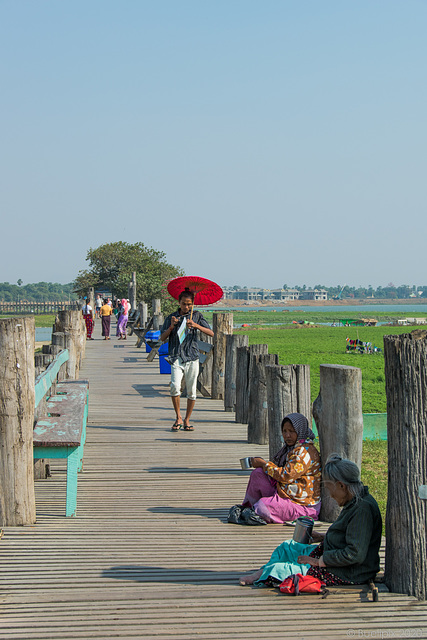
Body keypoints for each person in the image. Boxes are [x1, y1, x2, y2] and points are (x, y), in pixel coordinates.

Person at [239, 454, 382, 587]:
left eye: (329, 489)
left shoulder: (362, 510)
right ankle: (264, 571)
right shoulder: (353, 502)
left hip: (348, 572)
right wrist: (322, 537)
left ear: (341, 485)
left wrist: (317, 562)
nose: (330, 495)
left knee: (281, 569)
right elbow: (350, 537)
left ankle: (267, 573)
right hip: (331, 556)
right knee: (287, 548)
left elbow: (354, 554)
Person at [228, 413, 321, 525]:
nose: (287, 435)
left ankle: (257, 510)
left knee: (263, 506)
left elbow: (286, 475)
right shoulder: (292, 448)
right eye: (285, 431)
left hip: (301, 505)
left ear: (300, 431)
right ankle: (250, 507)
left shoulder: (304, 452)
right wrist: (263, 466)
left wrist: (264, 465)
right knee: (257, 474)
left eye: (291, 431)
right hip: (285, 492)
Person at [160, 288, 214, 431]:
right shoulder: (171, 317)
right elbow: (162, 338)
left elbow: (211, 332)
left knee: (191, 391)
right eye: (184, 304)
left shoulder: (196, 316)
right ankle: (178, 416)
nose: (187, 307)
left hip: (192, 356)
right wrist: (171, 327)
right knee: (174, 386)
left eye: (189, 304)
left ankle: (187, 419)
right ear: (179, 303)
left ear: (193, 303)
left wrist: (196, 325)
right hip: (176, 356)